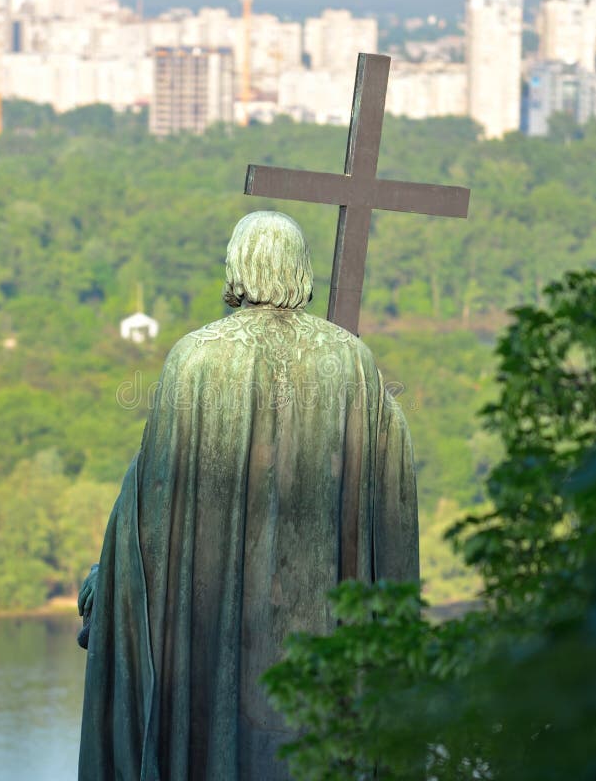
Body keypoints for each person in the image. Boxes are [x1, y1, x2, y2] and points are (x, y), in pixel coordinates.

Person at [77, 211, 418, 780]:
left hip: (214, 621)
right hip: (324, 607)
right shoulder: (351, 359)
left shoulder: (197, 358)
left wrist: (109, 581)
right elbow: (386, 487)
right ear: (300, 271)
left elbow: (154, 503)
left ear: (237, 266)